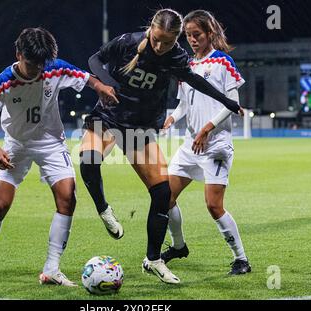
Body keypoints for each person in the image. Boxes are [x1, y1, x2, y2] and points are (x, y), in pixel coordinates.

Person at [81, 8, 244, 284]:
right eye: (156, 39)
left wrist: (227, 101)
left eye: (167, 42)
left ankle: (155, 259)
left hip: (140, 127)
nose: (159, 46)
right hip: (109, 116)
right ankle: (104, 210)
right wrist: (105, 84)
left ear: (175, 39)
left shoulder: (178, 57)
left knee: (162, 193)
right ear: (150, 30)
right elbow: (95, 59)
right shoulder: (128, 42)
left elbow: (194, 80)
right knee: (88, 161)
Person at [0, 27, 118, 289]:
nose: (37, 69)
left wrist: (101, 86)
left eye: (41, 64)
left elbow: (86, 77)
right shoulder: (5, 81)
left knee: (68, 197)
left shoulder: (54, 67)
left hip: (50, 142)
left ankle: (51, 269)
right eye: (31, 63)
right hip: (17, 144)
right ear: (18, 54)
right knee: (0, 205)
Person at [162, 10, 251, 275]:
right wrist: (172, 118)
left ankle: (241, 259)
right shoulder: (187, 66)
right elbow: (184, 105)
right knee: (164, 198)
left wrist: (207, 129)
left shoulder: (223, 62)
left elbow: (232, 104)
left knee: (213, 205)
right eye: (188, 35)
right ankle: (179, 247)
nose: (192, 39)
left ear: (210, 33)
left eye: (196, 34)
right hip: (191, 144)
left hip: (216, 144)